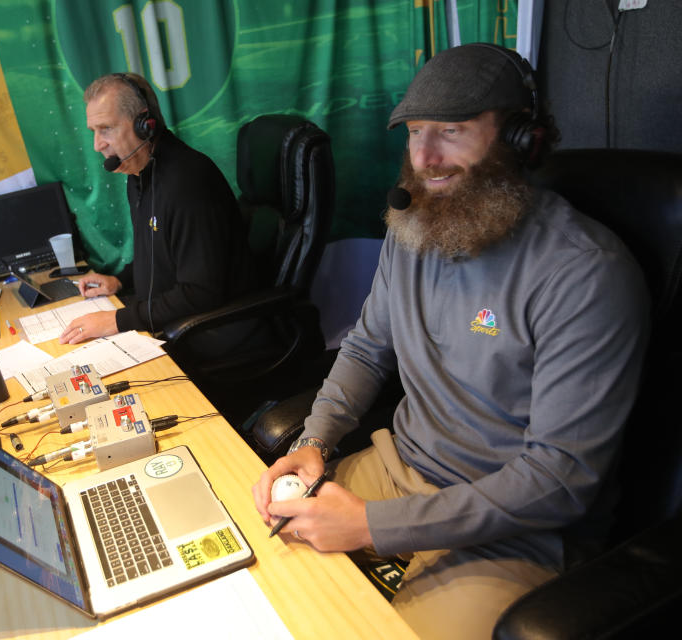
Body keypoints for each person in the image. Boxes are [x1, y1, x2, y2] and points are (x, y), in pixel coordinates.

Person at [252, 44, 649, 640]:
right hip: (399, 469)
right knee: (265, 581)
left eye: (452, 131)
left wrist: (373, 527)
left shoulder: (585, 272)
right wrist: (316, 441)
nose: (426, 157)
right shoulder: (412, 226)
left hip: (509, 526)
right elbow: (365, 348)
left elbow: (559, 479)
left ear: (521, 139)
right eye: (415, 132)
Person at [59, 72, 254, 345]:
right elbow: (159, 255)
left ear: (144, 125)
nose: (97, 145)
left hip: (207, 332)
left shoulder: (187, 182)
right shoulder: (139, 174)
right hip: (165, 319)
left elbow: (201, 292)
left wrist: (117, 321)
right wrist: (119, 280)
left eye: (107, 129)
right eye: (94, 131)